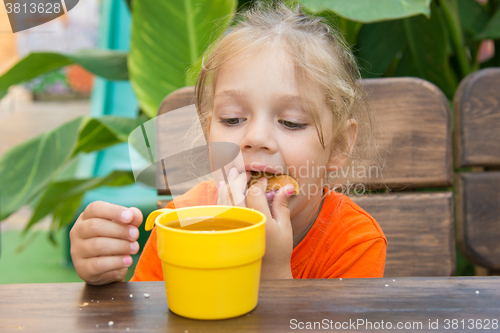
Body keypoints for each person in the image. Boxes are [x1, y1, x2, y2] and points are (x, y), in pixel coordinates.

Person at [70, 2, 387, 285]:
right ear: (209, 134)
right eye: (233, 119)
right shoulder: (183, 223)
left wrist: (268, 271)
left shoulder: (354, 242)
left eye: (292, 121)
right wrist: (105, 277)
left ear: (340, 146)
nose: (256, 138)